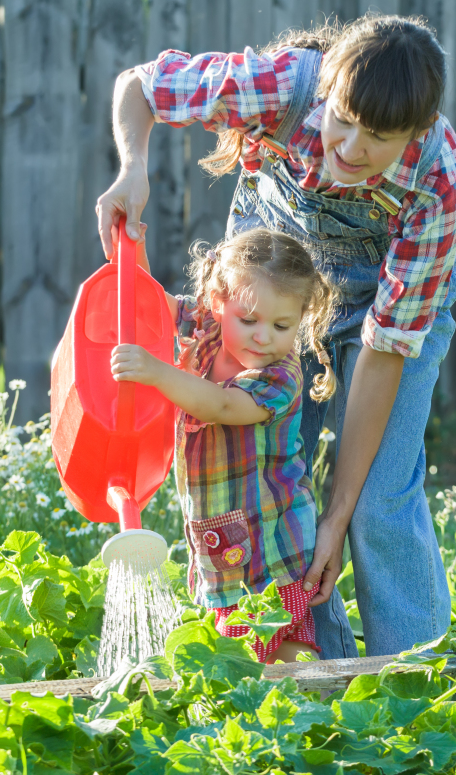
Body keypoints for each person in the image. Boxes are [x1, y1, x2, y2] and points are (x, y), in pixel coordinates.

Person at [97, 14, 456, 659]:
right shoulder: (280, 88)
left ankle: (418, 679)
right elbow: (143, 85)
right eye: (343, 120)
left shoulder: (437, 182)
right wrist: (132, 168)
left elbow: (383, 349)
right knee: (264, 479)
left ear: (418, 132)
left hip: (387, 317)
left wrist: (339, 510)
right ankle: (311, 675)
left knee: (378, 502)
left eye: (378, 138)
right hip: (277, 301)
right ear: (327, 89)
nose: (350, 148)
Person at [110, 228, 337, 663]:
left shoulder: (280, 377)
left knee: (280, 646)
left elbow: (221, 404)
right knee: (236, 654)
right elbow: (148, 308)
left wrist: (158, 373)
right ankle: (259, 719)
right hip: (223, 538)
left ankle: (312, 710)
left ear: (302, 318)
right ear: (218, 302)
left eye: (281, 325)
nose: (263, 336)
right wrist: (136, 244)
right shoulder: (209, 329)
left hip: (273, 547)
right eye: (248, 320)